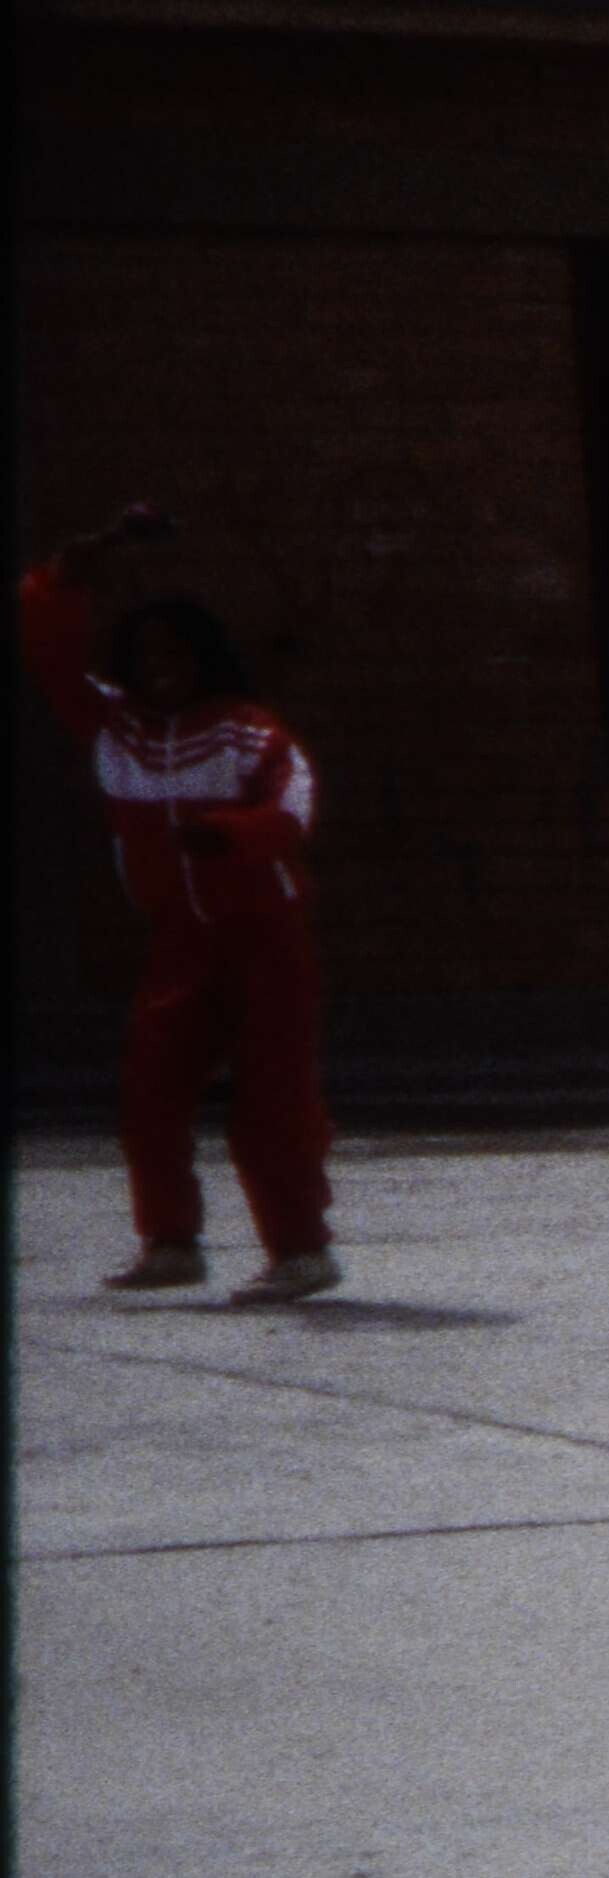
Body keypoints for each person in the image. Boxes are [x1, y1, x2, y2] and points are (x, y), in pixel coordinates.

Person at [20, 501, 333, 1302]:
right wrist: (88, 555)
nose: (162, 667)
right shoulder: (112, 726)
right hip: (176, 942)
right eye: (146, 654)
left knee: (272, 1101)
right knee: (150, 1094)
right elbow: (43, 633)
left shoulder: (246, 729)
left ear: (207, 658)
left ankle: (302, 1252)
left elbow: (293, 806)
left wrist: (229, 835)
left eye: (178, 653)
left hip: (264, 938)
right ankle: (171, 1243)